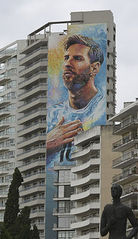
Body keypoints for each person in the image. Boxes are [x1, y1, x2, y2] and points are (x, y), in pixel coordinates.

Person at [46, 34, 106, 167]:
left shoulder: (102, 111)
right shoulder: (53, 114)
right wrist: (48, 144)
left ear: (94, 68)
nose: (68, 64)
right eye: (66, 58)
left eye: (77, 59)